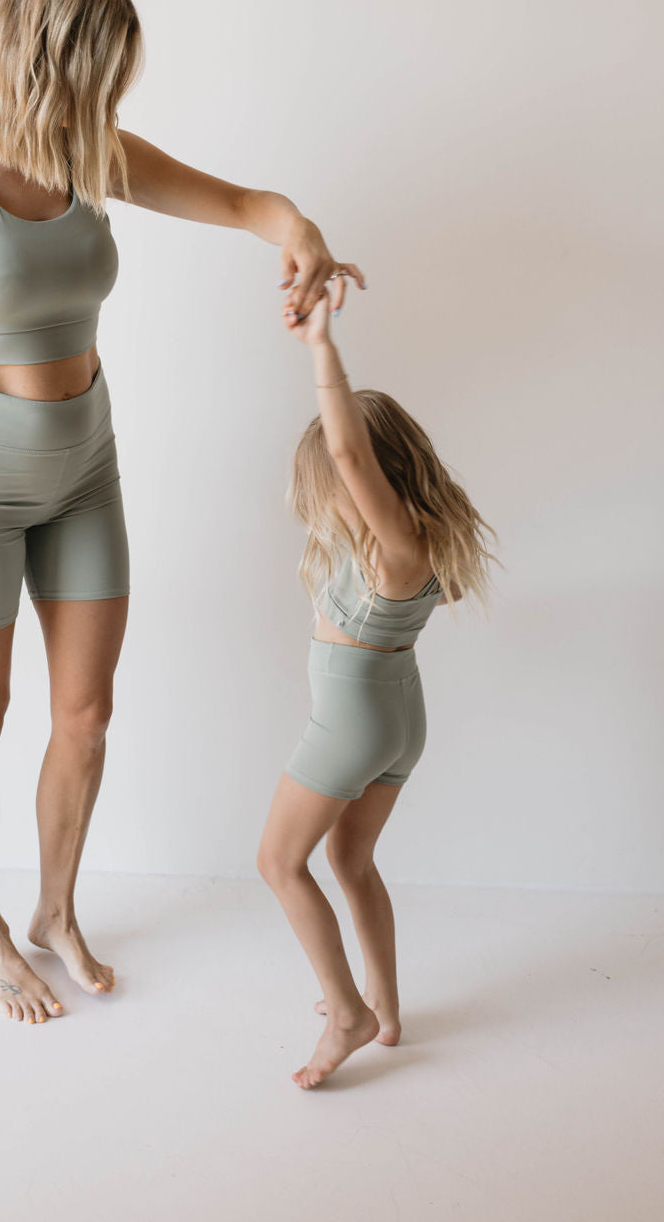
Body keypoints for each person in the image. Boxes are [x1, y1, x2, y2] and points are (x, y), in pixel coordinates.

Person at [0, 0, 364, 1025]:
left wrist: (298, 230)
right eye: (99, 67)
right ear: (48, 52)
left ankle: (55, 909)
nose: (110, 92)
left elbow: (243, 203)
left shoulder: (88, 151)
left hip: (85, 463)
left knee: (86, 713)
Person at [257, 288, 496, 1087]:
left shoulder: (396, 543)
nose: (331, 492)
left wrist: (321, 347)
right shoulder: (419, 548)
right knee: (351, 860)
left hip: (352, 721)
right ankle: (386, 1011)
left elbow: (351, 455)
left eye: (334, 474)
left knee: (278, 861)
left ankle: (347, 1008)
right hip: (401, 716)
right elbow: (358, 463)